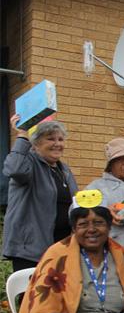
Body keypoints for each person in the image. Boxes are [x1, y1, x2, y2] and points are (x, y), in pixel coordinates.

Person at [3, 115, 78, 272]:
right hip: (30, 251)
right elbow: (13, 169)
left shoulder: (64, 170)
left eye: (60, 139)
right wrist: (22, 135)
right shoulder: (28, 163)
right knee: (34, 296)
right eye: (51, 139)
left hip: (61, 248)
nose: (57, 144)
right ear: (36, 144)